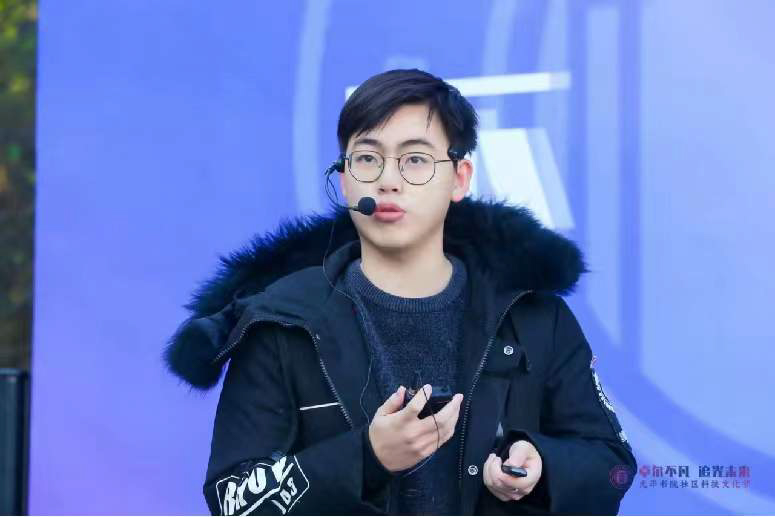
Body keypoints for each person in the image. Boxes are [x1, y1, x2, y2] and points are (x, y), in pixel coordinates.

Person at [164, 68, 636, 515]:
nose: (388, 181)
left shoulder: (534, 317)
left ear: (459, 179)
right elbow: (231, 500)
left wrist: (542, 466)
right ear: (345, 179)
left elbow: (612, 469)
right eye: (368, 158)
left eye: (415, 160)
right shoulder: (282, 321)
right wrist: (366, 456)